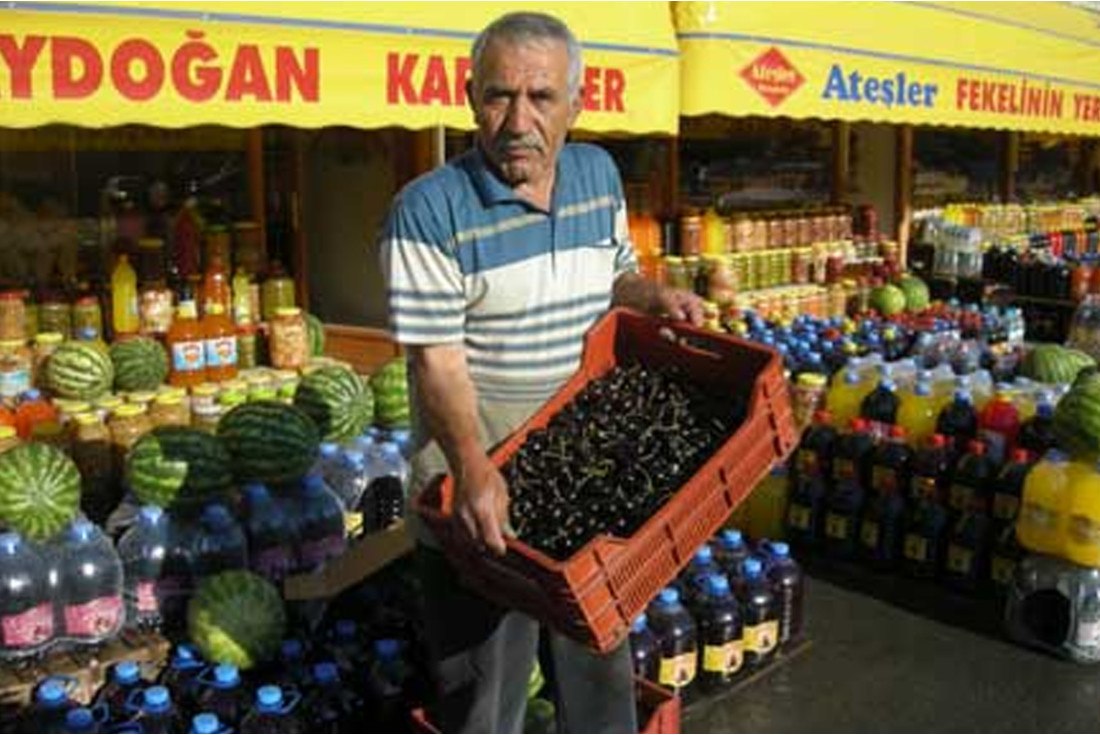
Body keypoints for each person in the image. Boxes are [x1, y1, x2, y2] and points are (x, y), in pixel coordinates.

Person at [380, 11, 703, 734]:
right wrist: (472, 469)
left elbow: (615, 274)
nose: (518, 120)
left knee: (598, 680)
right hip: (473, 500)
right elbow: (435, 361)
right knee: (485, 698)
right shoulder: (426, 212)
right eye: (499, 95)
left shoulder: (597, 174)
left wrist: (653, 296)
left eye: (541, 97)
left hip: (579, 477)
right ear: (470, 98)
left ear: (576, 103)